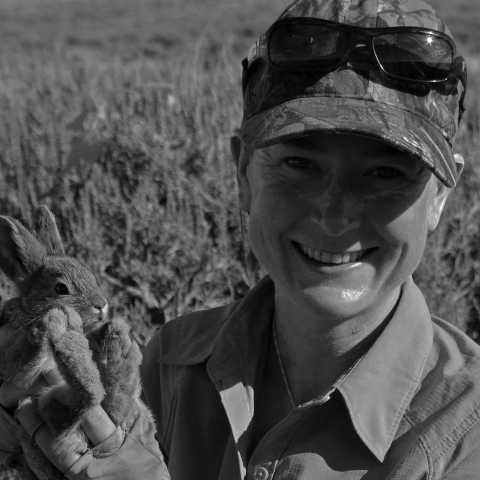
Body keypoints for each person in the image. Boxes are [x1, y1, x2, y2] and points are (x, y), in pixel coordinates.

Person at [0, 0, 477, 478]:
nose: (335, 216)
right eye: (299, 164)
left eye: (384, 173)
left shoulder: (464, 431)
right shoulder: (170, 361)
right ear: (244, 172)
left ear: (440, 196)